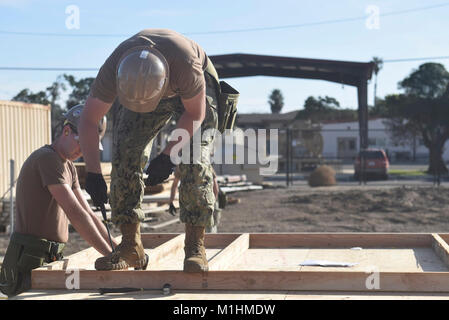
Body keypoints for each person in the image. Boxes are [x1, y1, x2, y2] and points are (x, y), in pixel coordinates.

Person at [78, 29, 238, 273]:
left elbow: (195, 114)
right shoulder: (113, 70)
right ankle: (132, 246)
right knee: (125, 154)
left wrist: (168, 155)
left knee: (194, 160)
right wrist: (93, 173)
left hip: (193, 92)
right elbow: (88, 120)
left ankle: (195, 246)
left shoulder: (185, 65)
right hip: (145, 84)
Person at [0, 105, 118, 297]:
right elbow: (75, 213)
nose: (83, 151)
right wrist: (110, 256)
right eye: (82, 143)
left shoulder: (69, 166)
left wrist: (118, 249)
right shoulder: (47, 159)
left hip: (49, 255)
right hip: (30, 258)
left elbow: (87, 212)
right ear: (66, 131)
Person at [168, 166, 222, 233]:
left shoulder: (183, 166)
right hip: (196, 204)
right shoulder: (203, 164)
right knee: (202, 230)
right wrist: (171, 202)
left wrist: (171, 202)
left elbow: (215, 187)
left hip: (201, 203)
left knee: (206, 229)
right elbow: (215, 187)